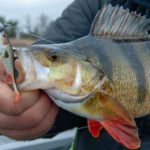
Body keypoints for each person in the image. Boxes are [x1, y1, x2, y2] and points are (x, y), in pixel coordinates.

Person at [0, 0, 150, 149]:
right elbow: (58, 40)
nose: (51, 59)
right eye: (54, 57)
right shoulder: (95, 5)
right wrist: (47, 112)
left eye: (54, 58)